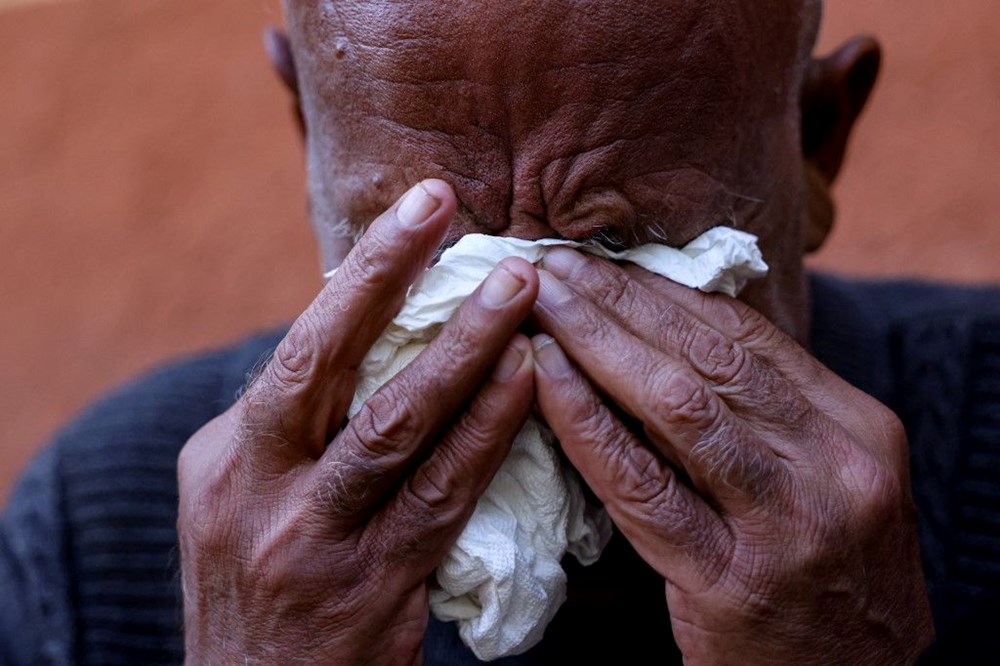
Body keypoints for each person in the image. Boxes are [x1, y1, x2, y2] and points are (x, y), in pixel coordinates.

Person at [2, 0, 998, 663]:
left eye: (617, 253)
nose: (510, 327)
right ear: (308, 132)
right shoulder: (104, 542)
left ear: (816, 144)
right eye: (440, 260)